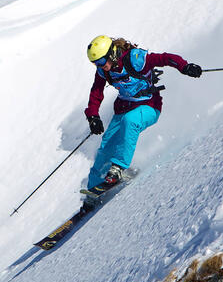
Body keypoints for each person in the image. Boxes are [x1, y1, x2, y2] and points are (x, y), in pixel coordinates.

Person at [82, 35, 201, 210]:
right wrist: (93, 115)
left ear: (112, 53)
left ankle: (118, 167)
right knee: (105, 147)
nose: (100, 66)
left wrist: (184, 66)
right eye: (95, 63)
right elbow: (96, 92)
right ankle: (93, 191)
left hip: (149, 106)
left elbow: (165, 58)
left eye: (101, 60)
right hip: (123, 108)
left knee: (130, 122)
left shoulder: (134, 59)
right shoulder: (104, 70)